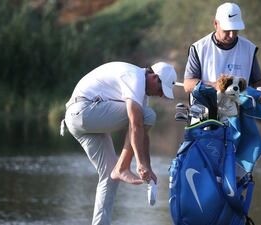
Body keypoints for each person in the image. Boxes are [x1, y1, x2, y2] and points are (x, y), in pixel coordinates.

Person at [62, 61, 177, 225]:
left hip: (79, 119)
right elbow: (136, 124)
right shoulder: (135, 77)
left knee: (110, 176)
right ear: (154, 77)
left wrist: (148, 166)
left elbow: (142, 133)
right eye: (160, 90)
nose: (159, 95)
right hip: (83, 111)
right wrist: (140, 164)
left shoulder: (141, 91)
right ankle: (122, 167)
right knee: (147, 115)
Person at [183, 2, 261, 102]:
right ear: (216, 24)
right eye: (227, 30)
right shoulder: (199, 48)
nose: (231, 35)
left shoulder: (249, 49)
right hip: (207, 113)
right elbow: (188, 84)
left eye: (235, 30)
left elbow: (257, 81)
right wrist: (215, 86)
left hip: (239, 113)